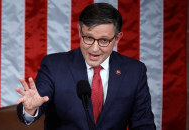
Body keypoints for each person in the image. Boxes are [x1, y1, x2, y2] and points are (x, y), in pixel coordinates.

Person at [15, 2, 156, 130]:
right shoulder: (54, 66)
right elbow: (37, 103)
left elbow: (143, 125)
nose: (94, 49)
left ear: (117, 38)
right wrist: (30, 110)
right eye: (88, 38)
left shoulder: (134, 71)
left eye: (104, 40)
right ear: (79, 31)